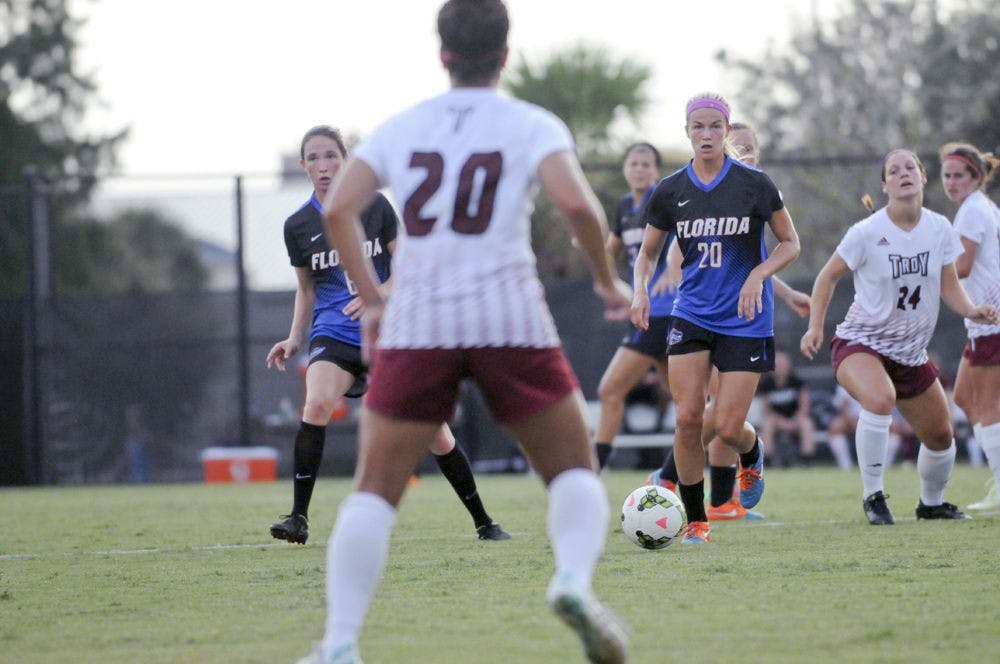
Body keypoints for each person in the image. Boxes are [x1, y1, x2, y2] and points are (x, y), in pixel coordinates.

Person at [301, 2, 633, 662]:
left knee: (374, 490)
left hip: (419, 322)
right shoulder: (529, 123)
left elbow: (339, 208)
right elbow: (575, 203)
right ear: (505, 54)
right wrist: (606, 280)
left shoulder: (404, 125)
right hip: (508, 316)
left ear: (442, 53)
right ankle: (571, 580)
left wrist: (370, 299)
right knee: (572, 472)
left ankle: (339, 645)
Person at [266, 125, 510, 546]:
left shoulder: (375, 206)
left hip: (387, 332)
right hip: (334, 331)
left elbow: (406, 267)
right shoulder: (298, 225)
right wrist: (293, 338)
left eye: (331, 156)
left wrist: (376, 293)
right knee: (318, 401)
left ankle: (484, 521)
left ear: (345, 160)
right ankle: (298, 518)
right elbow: (306, 289)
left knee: (435, 431)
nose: (324, 166)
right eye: (315, 158)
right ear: (304, 165)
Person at [632, 93, 801, 544]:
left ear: (727, 132)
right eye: (698, 126)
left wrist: (758, 276)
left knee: (726, 428)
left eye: (715, 126)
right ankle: (696, 522)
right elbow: (647, 253)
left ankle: (752, 450)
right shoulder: (670, 190)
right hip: (691, 314)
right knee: (688, 419)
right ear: (686, 132)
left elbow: (790, 243)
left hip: (745, 319)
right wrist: (639, 292)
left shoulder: (754, 183)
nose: (706, 134)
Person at [800, 148, 998, 525]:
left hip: (911, 352)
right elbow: (827, 277)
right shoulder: (867, 232)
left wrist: (971, 310)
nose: (903, 173)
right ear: (885, 184)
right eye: (894, 170)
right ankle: (873, 496)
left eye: (910, 167)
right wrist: (815, 326)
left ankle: (931, 504)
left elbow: (950, 284)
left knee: (941, 437)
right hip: (862, 342)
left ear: (923, 177)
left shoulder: (939, 227)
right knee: (879, 398)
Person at [593, 142, 674, 471]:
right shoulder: (625, 206)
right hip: (644, 312)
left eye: (646, 164)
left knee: (610, 389)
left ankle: (593, 471)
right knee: (691, 406)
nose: (639, 169)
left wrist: (672, 268)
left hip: (665, 313)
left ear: (656, 171)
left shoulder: (664, 199)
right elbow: (608, 249)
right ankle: (728, 464)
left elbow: (686, 235)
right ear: (625, 168)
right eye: (634, 163)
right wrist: (606, 278)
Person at [938, 142, 1000, 511]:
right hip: (981, 322)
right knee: (963, 397)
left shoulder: (974, 210)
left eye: (959, 175)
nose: (952, 182)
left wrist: (921, 268)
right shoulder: (981, 208)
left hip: (991, 319)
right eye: (947, 176)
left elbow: (961, 267)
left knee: (987, 405)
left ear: (976, 177)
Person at [757, 349, 817, 466]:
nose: (780, 366)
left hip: (796, 419)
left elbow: (804, 406)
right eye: (777, 363)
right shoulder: (766, 384)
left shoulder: (798, 382)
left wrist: (794, 421)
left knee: (807, 423)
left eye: (783, 363)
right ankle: (767, 461)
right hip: (776, 420)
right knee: (767, 424)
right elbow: (766, 410)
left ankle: (807, 460)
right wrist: (780, 422)